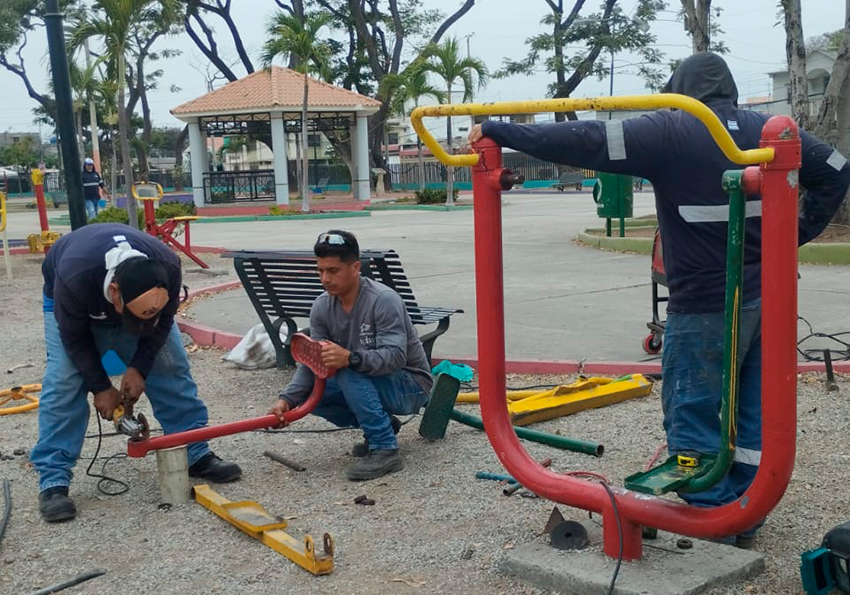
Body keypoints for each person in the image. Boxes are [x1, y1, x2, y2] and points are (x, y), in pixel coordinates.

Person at [468, 52, 850, 547]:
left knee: (694, 409)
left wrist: (505, 131)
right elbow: (838, 169)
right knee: (755, 407)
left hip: (704, 305)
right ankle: (746, 510)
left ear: (680, 93)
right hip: (768, 301)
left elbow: (588, 141)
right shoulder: (766, 129)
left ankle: (713, 518)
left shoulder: (677, 128)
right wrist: (790, 236)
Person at [32, 223, 242, 523]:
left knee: (170, 365)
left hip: (125, 299)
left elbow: (164, 322)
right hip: (72, 305)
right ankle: (53, 480)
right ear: (115, 292)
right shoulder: (74, 276)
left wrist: (139, 368)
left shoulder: (167, 267)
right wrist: (101, 387)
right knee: (64, 379)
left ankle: (194, 450)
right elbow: (75, 339)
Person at [269, 230, 432, 481]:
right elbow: (314, 363)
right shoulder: (322, 306)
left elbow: (396, 357)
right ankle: (383, 426)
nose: (325, 278)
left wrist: (351, 358)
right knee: (315, 392)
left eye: (333, 271)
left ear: (355, 267)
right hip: (371, 379)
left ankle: (385, 448)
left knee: (345, 370)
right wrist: (288, 400)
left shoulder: (383, 300)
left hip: (410, 385)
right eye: (320, 270)